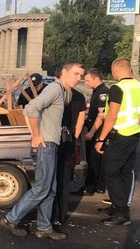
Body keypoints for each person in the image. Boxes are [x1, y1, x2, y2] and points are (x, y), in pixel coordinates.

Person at [0, 61, 84, 241]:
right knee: (41, 188)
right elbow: (31, 108)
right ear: (64, 72)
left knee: (50, 189)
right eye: (76, 74)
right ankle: (11, 219)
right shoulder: (54, 88)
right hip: (45, 145)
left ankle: (44, 227)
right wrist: (36, 135)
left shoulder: (63, 91)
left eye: (81, 75)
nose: (79, 78)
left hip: (51, 145)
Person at [95, 58, 140, 226]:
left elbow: (112, 116)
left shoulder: (117, 88)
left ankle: (121, 213)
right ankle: (118, 207)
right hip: (134, 134)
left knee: (111, 171)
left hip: (120, 135)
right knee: (124, 171)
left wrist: (101, 139)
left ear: (115, 70)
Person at [52, 80, 86, 225]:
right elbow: (81, 121)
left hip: (53, 139)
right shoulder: (80, 96)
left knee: (50, 179)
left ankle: (50, 215)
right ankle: (62, 216)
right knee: (64, 181)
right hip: (69, 140)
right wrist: (74, 138)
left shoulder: (54, 94)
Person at [78, 68, 109, 195]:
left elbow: (101, 115)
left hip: (97, 131)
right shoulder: (99, 91)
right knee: (98, 159)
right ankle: (99, 186)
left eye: (88, 80)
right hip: (96, 129)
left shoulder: (102, 93)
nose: (86, 83)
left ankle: (89, 187)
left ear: (96, 79)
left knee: (93, 159)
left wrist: (91, 132)